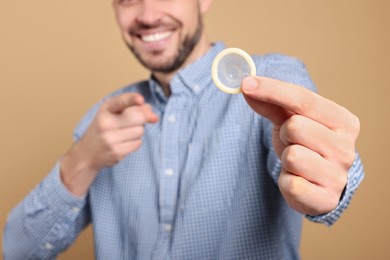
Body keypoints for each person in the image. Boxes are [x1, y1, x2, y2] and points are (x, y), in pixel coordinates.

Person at [3, 0, 364, 259]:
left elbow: (319, 169)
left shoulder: (270, 80)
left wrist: (325, 178)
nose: (146, 14)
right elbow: (15, 250)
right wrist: (83, 158)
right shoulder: (106, 120)